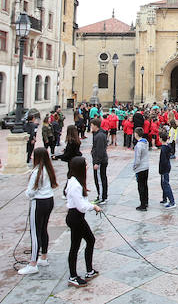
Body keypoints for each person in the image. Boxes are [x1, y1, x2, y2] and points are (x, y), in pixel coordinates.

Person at [20, 147, 58, 274]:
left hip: (39, 202)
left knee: (35, 231)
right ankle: (44, 257)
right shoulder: (48, 169)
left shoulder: (36, 172)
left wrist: (27, 192)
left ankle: (33, 263)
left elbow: (31, 191)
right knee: (43, 229)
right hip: (49, 200)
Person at [64, 156, 102, 287]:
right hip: (75, 217)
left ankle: (89, 270)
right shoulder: (75, 185)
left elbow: (78, 200)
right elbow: (81, 206)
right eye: (85, 165)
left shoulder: (74, 181)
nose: (87, 167)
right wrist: (94, 206)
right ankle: (73, 276)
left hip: (77, 217)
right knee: (75, 246)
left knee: (90, 240)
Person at [90, 118, 108, 204]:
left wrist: (97, 162)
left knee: (100, 179)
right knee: (101, 178)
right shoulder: (98, 134)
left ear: (95, 126)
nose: (91, 127)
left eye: (92, 125)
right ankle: (102, 195)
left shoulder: (99, 136)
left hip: (100, 161)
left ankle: (101, 197)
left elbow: (100, 150)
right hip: (100, 160)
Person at [132, 127, 149, 211]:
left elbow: (137, 159)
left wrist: (134, 166)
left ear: (136, 134)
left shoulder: (138, 145)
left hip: (140, 168)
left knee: (141, 186)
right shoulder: (146, 142)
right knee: (145, 185)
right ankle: (146, 201)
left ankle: (143, 204)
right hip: (146, 166)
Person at [158, 130, 175, 208]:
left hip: (164, 169)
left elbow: (163, 161)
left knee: (166, 184)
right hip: (167, 167)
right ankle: (164, 198)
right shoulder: (167, 146)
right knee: (163, 184)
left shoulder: (164, 148)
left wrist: (161, 170)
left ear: (161, 139)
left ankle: (172, 201)